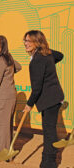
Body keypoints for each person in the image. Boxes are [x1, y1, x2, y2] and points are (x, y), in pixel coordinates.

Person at [22, 30, 64, 168]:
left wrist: (29, 104)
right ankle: (49, 159)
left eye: (28, 41)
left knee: (49, 130)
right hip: (54, 97)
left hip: (49, 99)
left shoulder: (37, 60)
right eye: (25, 40)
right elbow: (60, 55)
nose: (25, 43)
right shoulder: (45, 55)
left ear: (37, 42)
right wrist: (44, 49)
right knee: (49, 129)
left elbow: (37, 87)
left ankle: (49, 162)